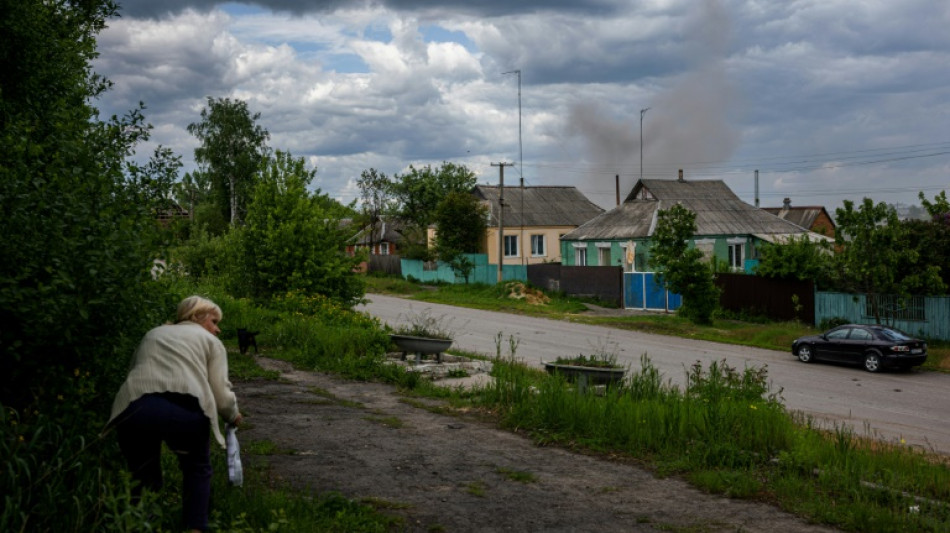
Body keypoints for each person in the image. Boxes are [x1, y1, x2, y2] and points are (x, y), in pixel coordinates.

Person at [107, 295, 243, 532]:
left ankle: (140, 524)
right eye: (214, 321)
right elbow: (221, 394)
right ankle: (194, 527)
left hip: (135, 408)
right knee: (197, 468)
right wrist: (233, 415)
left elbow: (133, 371)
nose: (218, 329)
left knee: (143, 474)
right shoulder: (211, 342)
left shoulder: (153, 334)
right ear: (196, 317)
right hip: (185, 410)